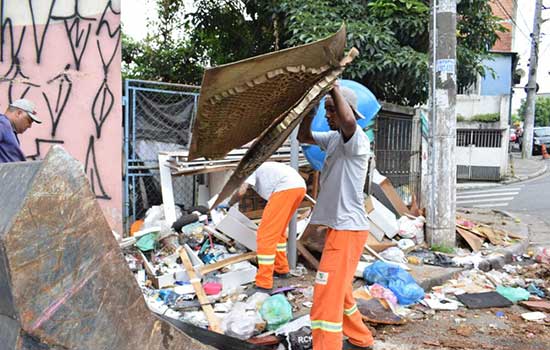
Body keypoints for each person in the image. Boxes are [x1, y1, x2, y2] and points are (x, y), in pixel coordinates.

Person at [297, 83, 374, 350]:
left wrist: (333, 88)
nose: (328, 116)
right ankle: (361, 340)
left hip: (348, 229)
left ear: (345, 111)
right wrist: (310, 108)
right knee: (339, 292)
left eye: (332, 111)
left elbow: (349, 121)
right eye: (327, 111)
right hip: (341, 228)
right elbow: (303, 137)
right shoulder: (333, 140)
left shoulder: (356, 139)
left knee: (325, 296)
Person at [228, 161, 306, 292]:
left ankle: (264, 283)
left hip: (285, 188)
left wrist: (228, 204)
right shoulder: (262, 167)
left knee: (265, 235)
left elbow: (241, 192)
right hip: (298, 187)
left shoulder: (248, 168)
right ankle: (281, 269)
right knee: (279, 232)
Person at [0, 99, 41, 163]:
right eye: (29, 121)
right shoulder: (2, 124)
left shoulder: (8, 128)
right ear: (19, 113)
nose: (30, 126)